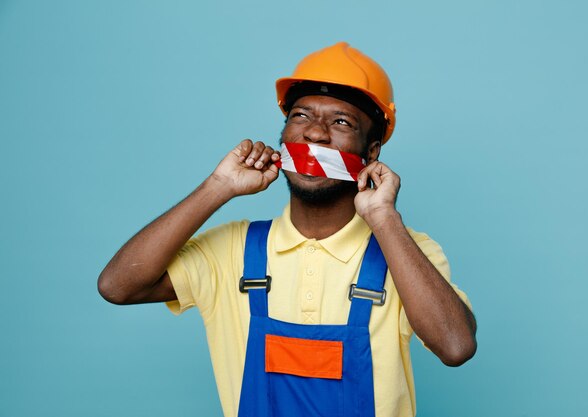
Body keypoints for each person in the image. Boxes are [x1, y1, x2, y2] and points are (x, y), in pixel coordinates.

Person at [98, 42, 477, 417]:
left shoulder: (407, 253)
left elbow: (455, 346)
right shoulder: (233, 250)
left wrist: (384, 220)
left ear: (372, 151)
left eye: (341, 122)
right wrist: (218, 187)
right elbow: (118, 286)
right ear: (284, 138)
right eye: (301, 116)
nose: (315, 134)